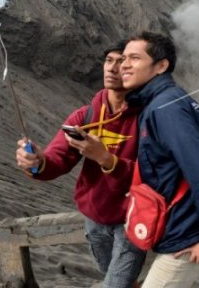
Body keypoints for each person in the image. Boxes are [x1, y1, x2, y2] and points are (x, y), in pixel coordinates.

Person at [15, 42, 146, 288]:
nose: (113, 68)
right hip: (95, 220)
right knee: (121, 282)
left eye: (122, 62)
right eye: (109, 60)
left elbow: (155, 175)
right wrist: (36, 161)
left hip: (133, 220)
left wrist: (106, 159)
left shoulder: (149, 118)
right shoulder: (85, 117)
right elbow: (57, 161)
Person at [120, 31, 199, 288]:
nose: (124, 64)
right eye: (123, 58)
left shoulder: (166, 107)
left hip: (186, 238)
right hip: (179, 231)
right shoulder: (165, 102)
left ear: (161, 65)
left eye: (134, 58)